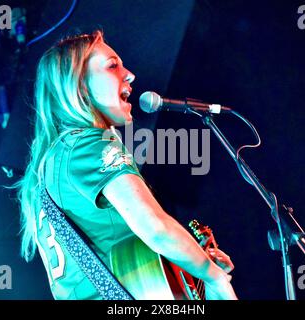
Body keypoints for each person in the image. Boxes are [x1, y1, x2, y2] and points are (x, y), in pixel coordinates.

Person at [15, 30, 238, 300]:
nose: (129, 74)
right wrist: (212, 277)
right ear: (79, 85)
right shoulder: (87, 145)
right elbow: (155, 228)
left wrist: (192, 262)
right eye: (112, 65)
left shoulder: (49, 166)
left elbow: (129, 260)